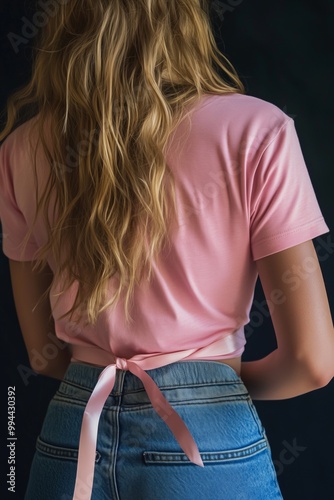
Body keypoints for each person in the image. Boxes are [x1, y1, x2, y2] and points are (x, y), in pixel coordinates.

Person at [0, 1, 333, 499]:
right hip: (206, 442)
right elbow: (312, 361)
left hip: (71, 439)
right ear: (183, 19)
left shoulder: (21, 148)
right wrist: (206, 385)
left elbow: (44, 355)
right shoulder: (256, 131)